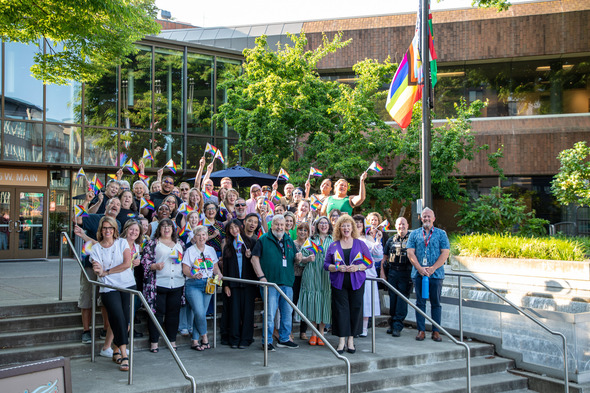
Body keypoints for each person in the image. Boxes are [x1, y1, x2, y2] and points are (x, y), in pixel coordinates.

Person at [89, 216, 135, 372]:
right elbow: (97, 268)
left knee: (125, 321)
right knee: (117, 317)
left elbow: (126, 264)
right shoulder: (96, 248)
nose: (107, 231)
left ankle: (115, 350)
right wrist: (98, 270)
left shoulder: (122, 243)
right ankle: (124, 354)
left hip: (127, 284)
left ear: (115, 230)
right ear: (100, 230)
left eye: (110, 228)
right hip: (108, 287)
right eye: (104, 228)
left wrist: (107, 271)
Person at [251, 215, 302, 351]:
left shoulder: (289, 240)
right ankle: (266, 341)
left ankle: (284, 339)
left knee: (287, 313)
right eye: (276, 224)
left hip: (287, 283)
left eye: (282, 224)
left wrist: (299, 258)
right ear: (271, 225)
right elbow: (254, 259)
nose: (279, 227)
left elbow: (295, 260)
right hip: (270, 284)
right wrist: (261, 277)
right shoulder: (263, 240)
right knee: (269, 314)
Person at [323, 215, 371, 354]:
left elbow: (369, 262)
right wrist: (336, 268)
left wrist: (358, 267)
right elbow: (326, 265)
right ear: (339, 228)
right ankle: (341, 341)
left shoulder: (360, 244)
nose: (346, 228)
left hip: (357, 282)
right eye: (343, 226)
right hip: (339, 283)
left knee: (355, 309)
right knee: (341, 311)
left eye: (348, 226)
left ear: (352, 228)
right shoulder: (333, 245)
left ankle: (351, 340)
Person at [141, 218, 185, 352]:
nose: (166, 229)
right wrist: (154, 266)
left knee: (173, 314)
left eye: (169, 226)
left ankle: (172, 340)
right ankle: (154, 342)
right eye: (163, 226)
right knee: (156, 314)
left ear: (173, 229)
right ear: (159, 229)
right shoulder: (153, 243)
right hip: (158, 284)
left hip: (177, 283)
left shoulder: (180, 243)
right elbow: (144, 261)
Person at [406, 207, 450, 342]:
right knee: (420, 303)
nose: (426, 218)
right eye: (424, 216)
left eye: (429, 216)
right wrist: (420, 268)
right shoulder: (414, 234)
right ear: (421, 218)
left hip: (435, 275)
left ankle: (436, 331)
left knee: (436, 303)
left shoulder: (441, 234)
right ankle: (421, 330)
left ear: (434, 218)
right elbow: (410, 252)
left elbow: (445, 252)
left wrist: (433, 268)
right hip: (419, 274)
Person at [182, 225, 222, 351]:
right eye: (198, 235)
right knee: (199, 312)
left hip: (208, 283)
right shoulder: (190, 251)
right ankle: (204, 337)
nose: (201, 237)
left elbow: (215, 267)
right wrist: (193, 275)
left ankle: (194, 340)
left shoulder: (210, 250)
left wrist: (219, 274)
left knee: (201, 314)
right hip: (194, 284)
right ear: (195, 237)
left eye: (204, 235)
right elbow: (185, 270)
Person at [222, 220, 257, 348]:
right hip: (234, 284)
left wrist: (250, 256)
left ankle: (246, 339)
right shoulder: (228, 245)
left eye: (236, 227)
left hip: (248, 283)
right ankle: (234, 338)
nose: (234, 230)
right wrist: (226, 284)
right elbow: (225, 267)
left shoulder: (251, 243)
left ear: (241, 227)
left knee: (248, 312)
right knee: (234, 313)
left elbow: (257, 263)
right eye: (231, 228)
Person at [299, 217, 333, 345]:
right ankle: (313, 333)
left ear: (329, 225)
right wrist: (308, 258)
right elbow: (301, 259)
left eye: (326, 223)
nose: (323, 225)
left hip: (326, 275)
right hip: (312, 274)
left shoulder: (334, 240)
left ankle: (322, 333)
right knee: (313, 303)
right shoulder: (311, 240)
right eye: (321, 223)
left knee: (325, 302)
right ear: (317, 226)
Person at [380, 217, 412, 337]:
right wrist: (382, 273)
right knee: (393, 299)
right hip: (393, 272)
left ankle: (398, 325)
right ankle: (392, 323)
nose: (401, 227)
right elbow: (384, 257)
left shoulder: (412, 239)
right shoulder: (391, 240)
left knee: (402, 300)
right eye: (399, 224)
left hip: (406, 273)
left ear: (407, 225)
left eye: (403, 224)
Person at [353, 214, 383, 337]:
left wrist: (378, 241)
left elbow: (378, 256)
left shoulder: (368, 238)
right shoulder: (349, 238)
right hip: (353, 274)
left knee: (366, 302)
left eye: (361, 222)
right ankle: (354, 328)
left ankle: (364, 328)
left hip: (367, 274)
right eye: (356, 222)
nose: (358, 224)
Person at [292, 222, 314, 341]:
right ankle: (289, 330)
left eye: (305, 230)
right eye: (301, 230)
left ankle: (303, 331)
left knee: (305, 303)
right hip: (294, 276)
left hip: (307, 276)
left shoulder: (310, 244)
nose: (303, 232)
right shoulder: (292, 243)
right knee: (293, 302)